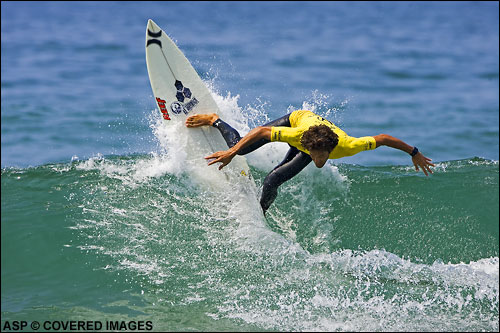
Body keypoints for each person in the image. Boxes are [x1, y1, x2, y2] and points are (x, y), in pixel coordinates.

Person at [186, 110, 435, 214]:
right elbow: (262, 131)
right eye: (316, 156)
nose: (319, 161)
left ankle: (259, 212)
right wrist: (231, 154)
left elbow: (382, 139)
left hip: (316, 140)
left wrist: (414, 151)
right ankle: (215, 120)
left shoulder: (348, 145)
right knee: (238, 148)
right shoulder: (296, 136)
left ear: (329, 150)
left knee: (273, 179)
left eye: (322, 157)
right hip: (297, 121)